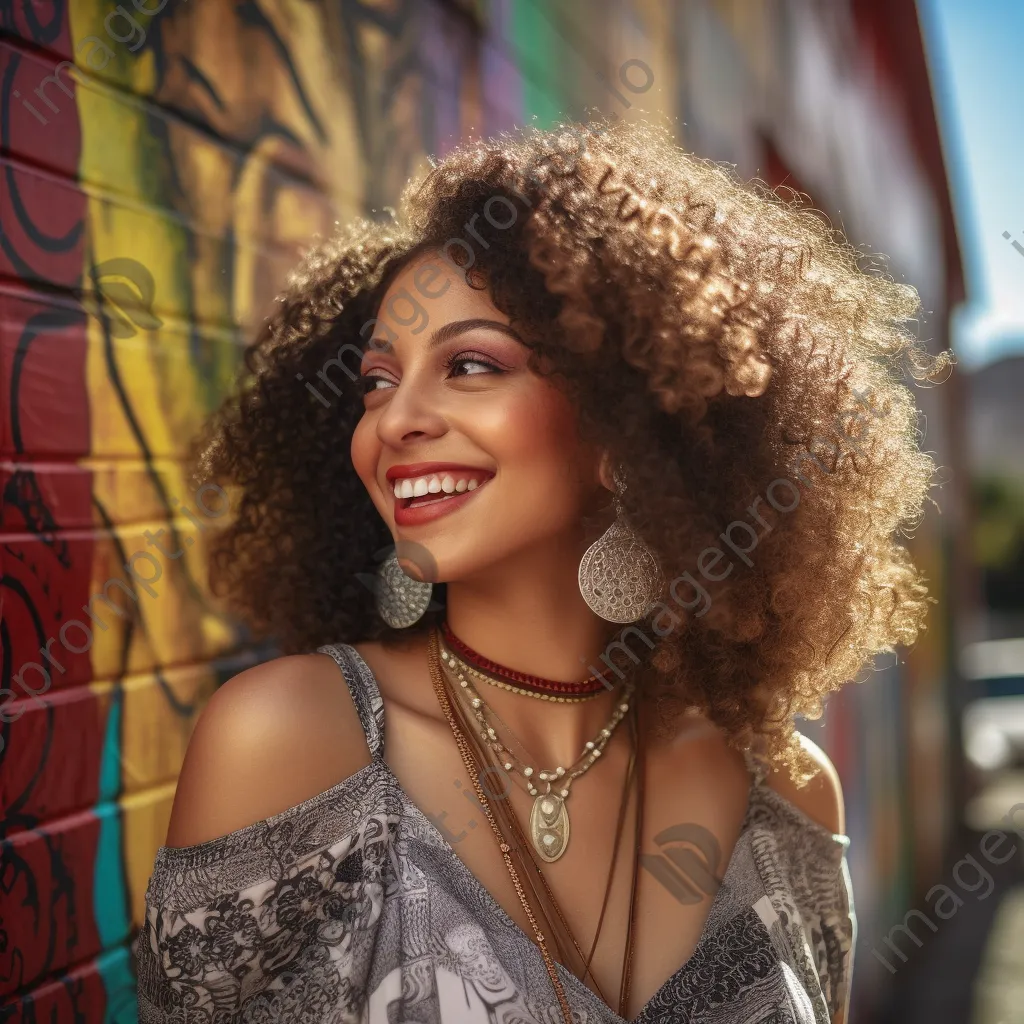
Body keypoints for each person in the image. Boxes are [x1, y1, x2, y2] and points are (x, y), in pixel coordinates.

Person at [135, 119, 949, 1023]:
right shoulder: (290, 744)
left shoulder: (784, 791)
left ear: (621, 427)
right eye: (375, 380)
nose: (394, 420)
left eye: (470, 365)